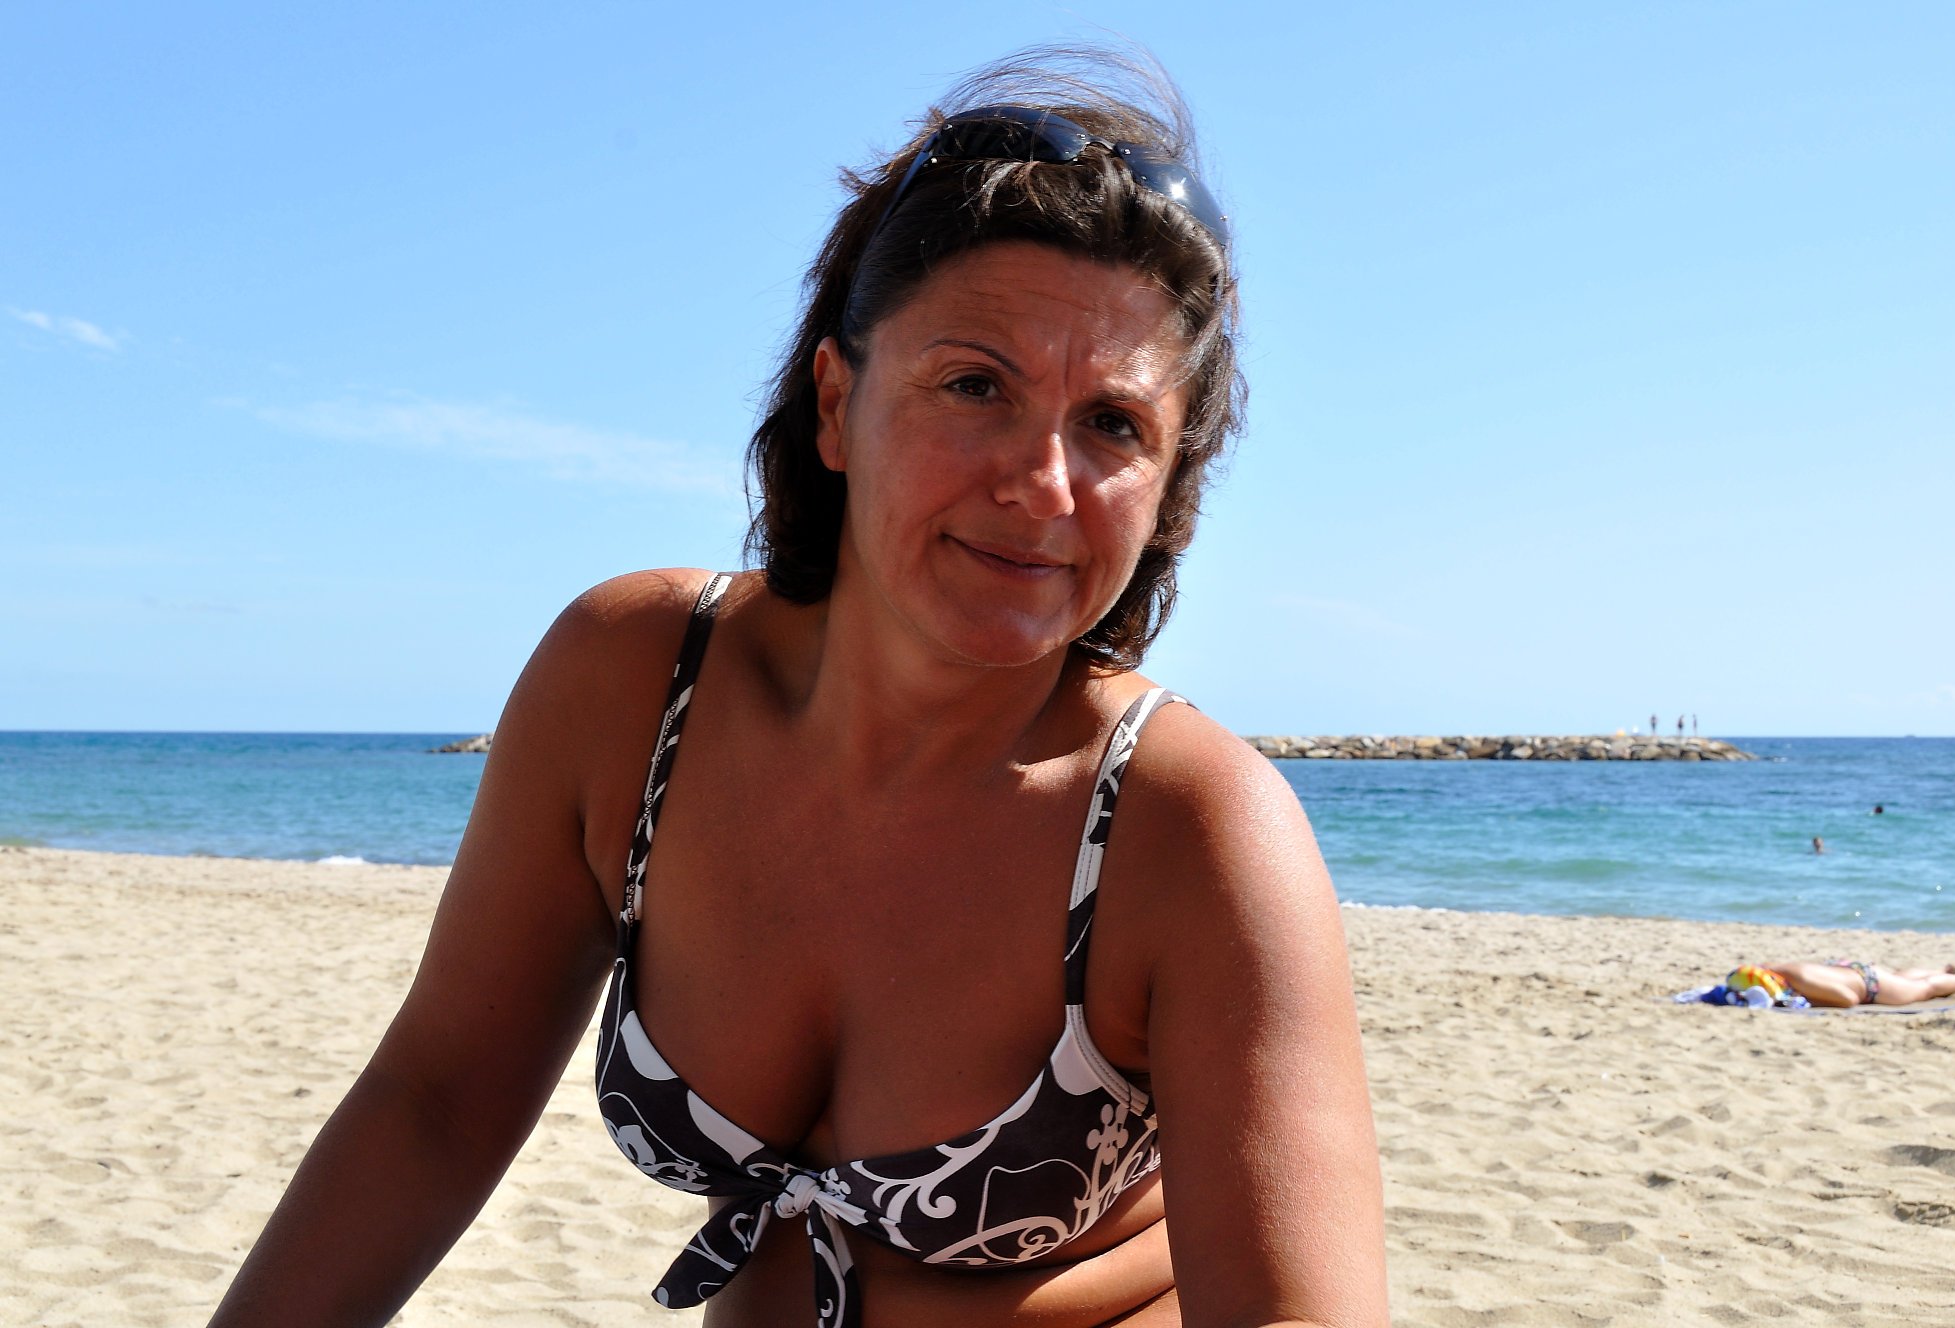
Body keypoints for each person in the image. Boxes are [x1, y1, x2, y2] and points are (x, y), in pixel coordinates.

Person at [206, 49, 1387, 1328]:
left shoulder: (1186, 826)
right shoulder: (632, 686)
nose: (1041, 483)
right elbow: (436, 1102)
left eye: (1112, 423)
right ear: (836, 401)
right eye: (974, 385)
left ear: (1168, 483)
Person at [1762, 960, 1955, 1008]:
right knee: (1900, 978)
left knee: (1926, 988)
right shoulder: (1775, 967)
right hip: (1854, 971)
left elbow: (1848, 999)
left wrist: (1807, 1000)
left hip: (1869, 986)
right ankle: (1941, 971)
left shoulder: (1801, 981)